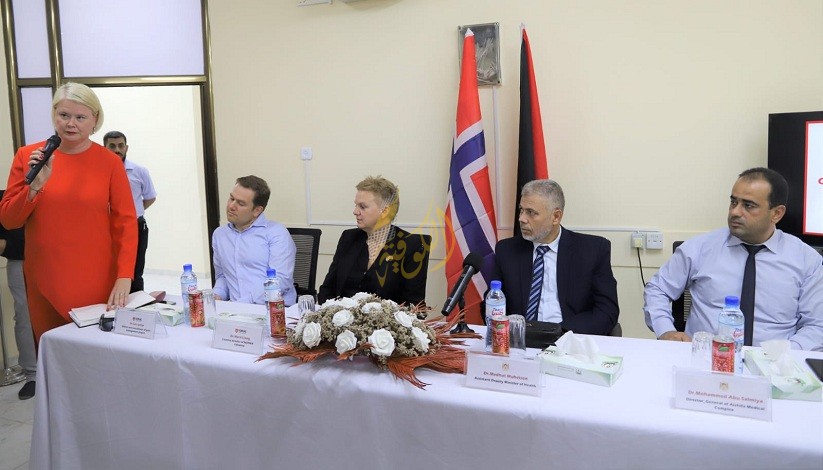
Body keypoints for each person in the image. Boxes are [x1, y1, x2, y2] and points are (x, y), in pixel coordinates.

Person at [0, 82, 137, 347]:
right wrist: (34, 187)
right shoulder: (29, 156)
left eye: (80, 117)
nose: (71, 123)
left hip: (95, 276)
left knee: (94, 352)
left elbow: (125, 223)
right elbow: (9, 219)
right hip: (44, 278)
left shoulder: (109, 162)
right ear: (54, 115)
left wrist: (124, 276)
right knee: (53, 354)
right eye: (64, 115)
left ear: (95, 120)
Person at [644, 168, 823, 350]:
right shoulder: (699, 248)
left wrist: (783, 355)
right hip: (706, 357)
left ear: (776, 213)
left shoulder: (806, 260)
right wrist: (666, 331)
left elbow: (817, 325)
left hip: (776, 362)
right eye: (733, 202)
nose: (735, 212)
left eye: (748, 205)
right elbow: (658, 289)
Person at [490, 179, 619, 335]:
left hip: (570, 338)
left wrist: (559, 333)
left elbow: (607, 311)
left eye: (531, 212)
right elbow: (492, 303)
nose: (522, 219)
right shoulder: (507, 250)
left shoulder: (593, 250)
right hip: (520, 339)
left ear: (556, 217)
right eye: (521, 210)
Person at [318, 176, 430, 306]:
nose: (355, 211)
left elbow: (414, 306)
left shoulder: (412, 245)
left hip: (387, 319)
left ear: (385, 211)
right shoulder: (348, 237)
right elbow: (327, 289)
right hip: (339, 317)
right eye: (356, 205)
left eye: (362, 206)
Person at [212, 175, 297, 306]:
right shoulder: (220, 235)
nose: (231, 206)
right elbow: (223, 276)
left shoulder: (276, 233)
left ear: (257, 210)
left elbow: (280, 280)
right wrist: (217, 295)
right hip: (235, 309)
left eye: (241, 203)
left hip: (274, 309)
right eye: (232, 198)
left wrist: (242, 304)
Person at [103, 131, 157, 293]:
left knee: (135, 271)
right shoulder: (99, 172)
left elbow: (150, 197)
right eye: (112, 146)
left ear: (126, 148)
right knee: (108, 271)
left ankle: (136, 305)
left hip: (136, 226)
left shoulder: (139, 171)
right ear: (104, 148)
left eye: (121, 146)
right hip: (107, 229)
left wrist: (131, 213)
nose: (117, 150)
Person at [0, 190, 36, 400]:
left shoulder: (50, 192)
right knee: (24, 317)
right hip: (19, 262)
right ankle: (32, 375)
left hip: (52, 260)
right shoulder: (6, 198)